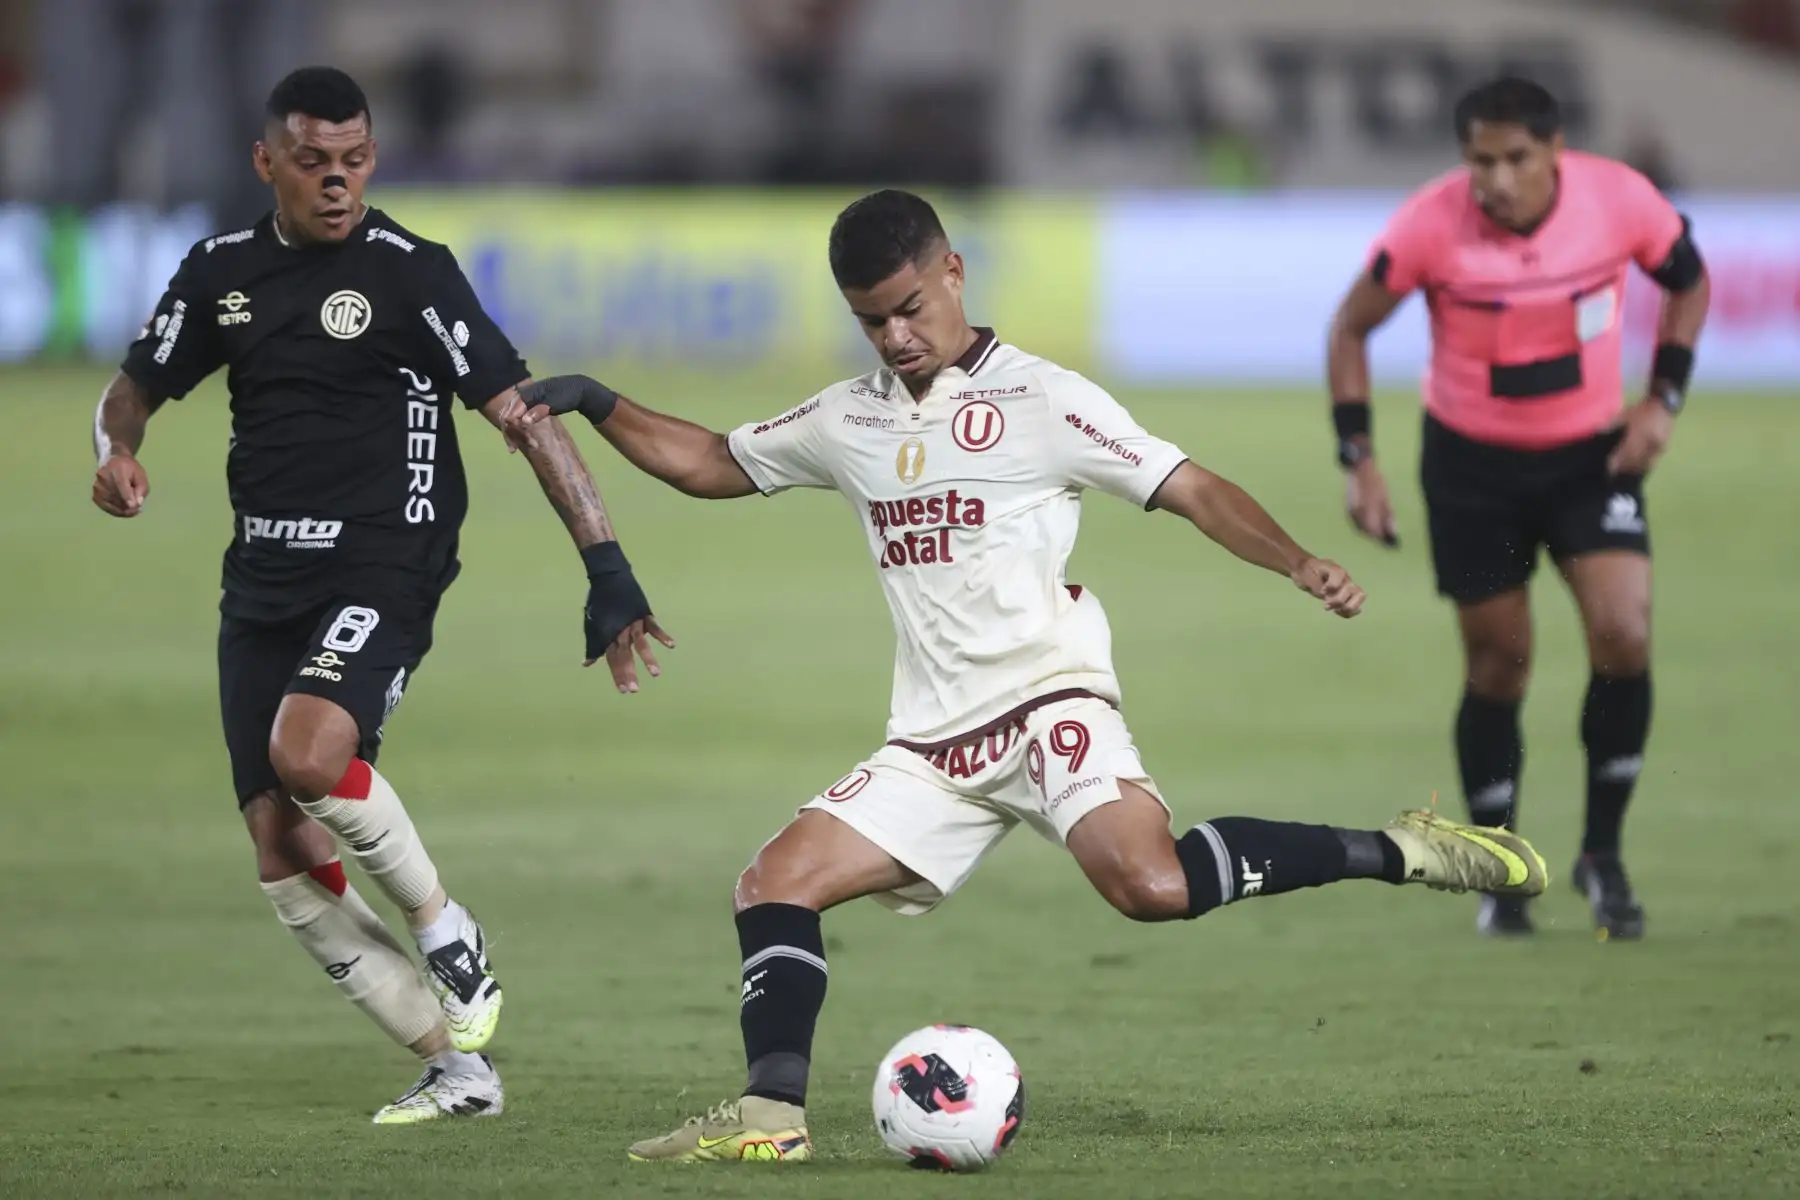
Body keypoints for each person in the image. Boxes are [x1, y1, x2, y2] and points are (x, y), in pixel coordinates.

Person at [506, 188, 1548, 1163]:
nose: (896, 336)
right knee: (772, 885)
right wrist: (599, 400)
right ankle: (772, 1119)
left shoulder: (1044, 400)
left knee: (1151, 886)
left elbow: (1189, 487)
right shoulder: (850, 419)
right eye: (872, 321)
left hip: (1050, 704)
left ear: (954, 273)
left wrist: (1299, 562)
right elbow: (712, 461)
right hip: (930, 745)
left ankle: (1401, 850)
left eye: (909, 307)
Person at [89, 67, 670, 1123]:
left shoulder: (412, 274)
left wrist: (607, 567)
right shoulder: (221, 272)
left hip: (385, 564)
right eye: (314, 162)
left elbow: (526, 413)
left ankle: (448, 928)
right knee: (281, 849)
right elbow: (138, 383)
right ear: (267, 161)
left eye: (356, 160)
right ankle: (460, 1067)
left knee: (308, 755)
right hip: (261, 579)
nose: (339, 182)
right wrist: (114, 450)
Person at [1325, 78, 1710, 939]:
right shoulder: (1430, 224)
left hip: (1590, 457)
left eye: (1514, 159)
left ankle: (1601, 856)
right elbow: (1350, 327)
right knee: (1501, 663)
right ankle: (1499, 865)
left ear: (1555, 150)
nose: (1494, 179)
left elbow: (1689, 280)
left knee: (1624, 633)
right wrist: (1360, 461)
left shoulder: (1621, 201)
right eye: (1478, 162)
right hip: (1471, 469)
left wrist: (1664, 402)